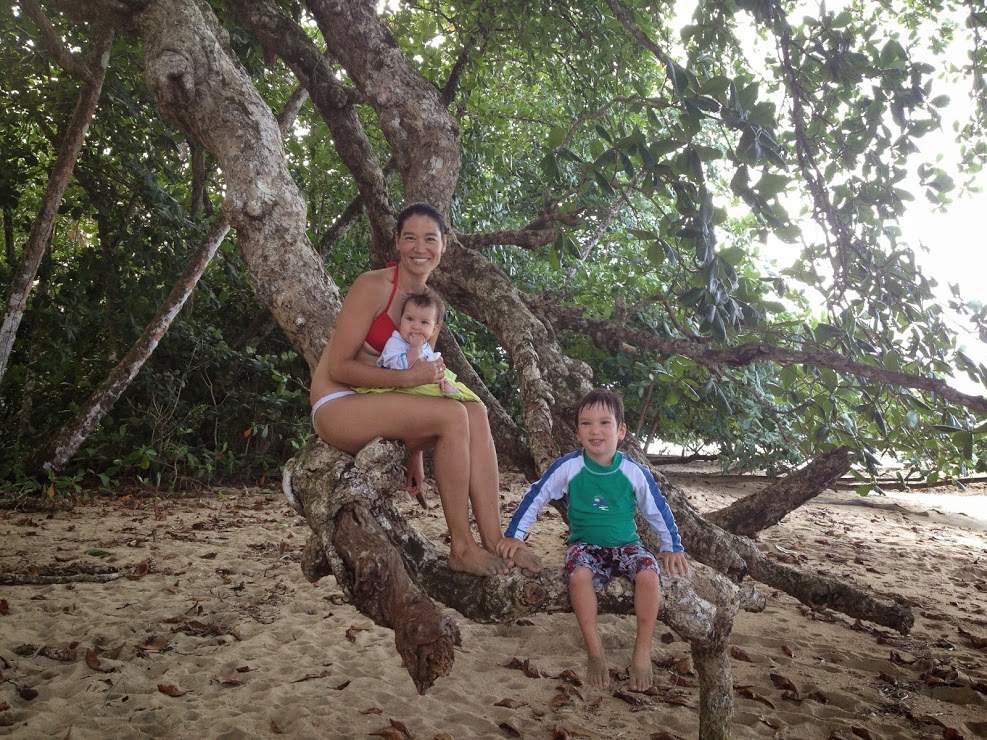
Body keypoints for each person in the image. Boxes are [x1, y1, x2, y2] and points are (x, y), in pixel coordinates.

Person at [309, 202, 541, 577]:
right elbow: (340, 367)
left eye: (430, 239)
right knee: (451, 416)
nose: (420, 248)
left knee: (475, 410)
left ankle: (496, 538)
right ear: (398, 243)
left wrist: (413, 447)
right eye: (410, 238)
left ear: (444, 245)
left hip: (380, 403)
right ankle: (462, 548)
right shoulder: (373, 287)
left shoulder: (428, 304)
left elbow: (414, 375)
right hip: (338, 403)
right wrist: (407, 381)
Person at [497, 389, 689, 690]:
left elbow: (657, 509)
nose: (595, 431)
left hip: (627, 546)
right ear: (577, 431)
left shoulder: (633, 471)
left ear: (621, 430)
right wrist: (515, 536)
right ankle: (595, 651)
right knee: (578, 577)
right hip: (585, 547)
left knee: (650, 576)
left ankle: (642, 651)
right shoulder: (569, 467)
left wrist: (672, 546)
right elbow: (537, 495)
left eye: (604, 423)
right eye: (586, 424)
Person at [369, 289, 477, 400]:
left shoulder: (425, 345)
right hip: (396, 388)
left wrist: (437, 367)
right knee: (455, 409)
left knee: (475, 406)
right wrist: (415, 349)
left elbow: (427, 368)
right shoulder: (396, 342)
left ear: (434, 330)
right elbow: (398, 370)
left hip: (418, 387)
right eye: (410, 319)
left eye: (424, 322)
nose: (415, 326)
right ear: (400, 322)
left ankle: (445, 386)